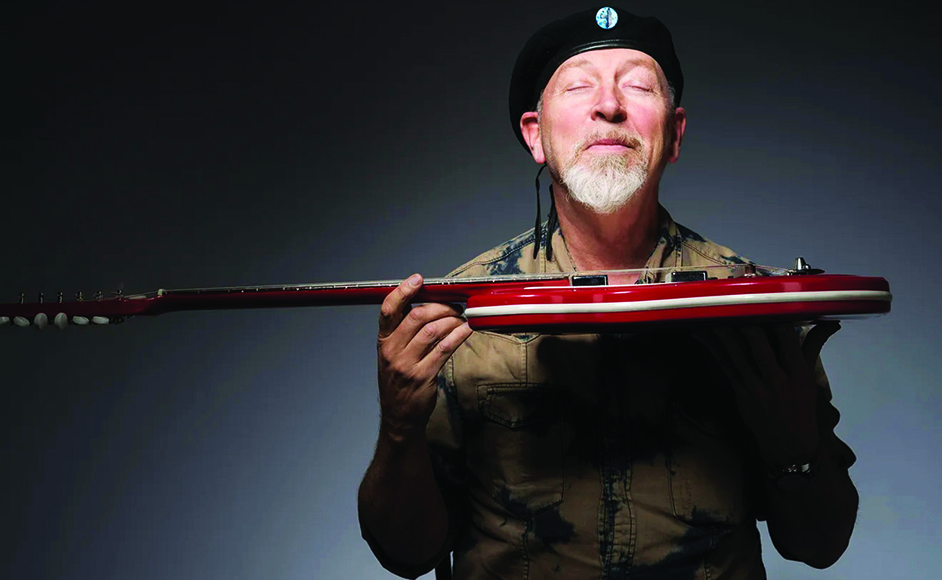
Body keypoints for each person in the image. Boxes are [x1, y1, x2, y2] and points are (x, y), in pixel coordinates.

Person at [358, 6, 858, 579]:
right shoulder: (463, 314)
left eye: (639, 86)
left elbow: (821, 544)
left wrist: (796, 446)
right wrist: (398, 431)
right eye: (578, 86)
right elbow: (406, 553)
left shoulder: (750, 307)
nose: (610, 105)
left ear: (674, 134)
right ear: (535, 135)